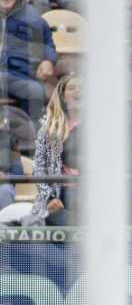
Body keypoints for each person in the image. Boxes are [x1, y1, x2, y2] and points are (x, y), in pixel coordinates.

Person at [0, 0, 53, 120]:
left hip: (18, 75)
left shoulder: (30, 14)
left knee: (36, 91)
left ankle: (29, 136)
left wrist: (48, 60)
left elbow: (47, 39)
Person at [26, 74, 78, 226]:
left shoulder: (99, 124)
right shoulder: (49, 126)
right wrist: (50, 198)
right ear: (62, 95)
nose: (77, 91)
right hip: (62, 194)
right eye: (72, 88)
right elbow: (39, 167)